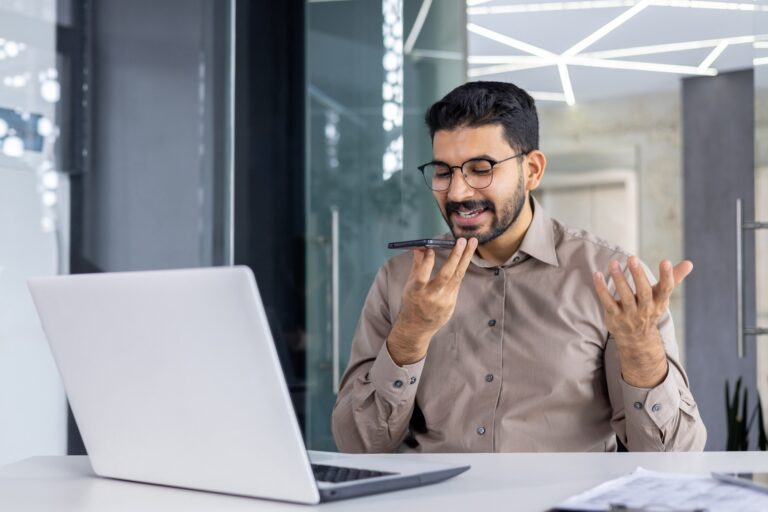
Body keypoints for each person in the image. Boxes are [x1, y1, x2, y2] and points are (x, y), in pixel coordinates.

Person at [331, 81, 706, 452]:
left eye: (481, 169)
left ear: (533, 170)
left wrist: (642, 350)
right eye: (444, 172)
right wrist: (410, 334)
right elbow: (359, 445)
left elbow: (674, 457)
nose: (458, 193)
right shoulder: (400, 280)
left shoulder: (611, 279)